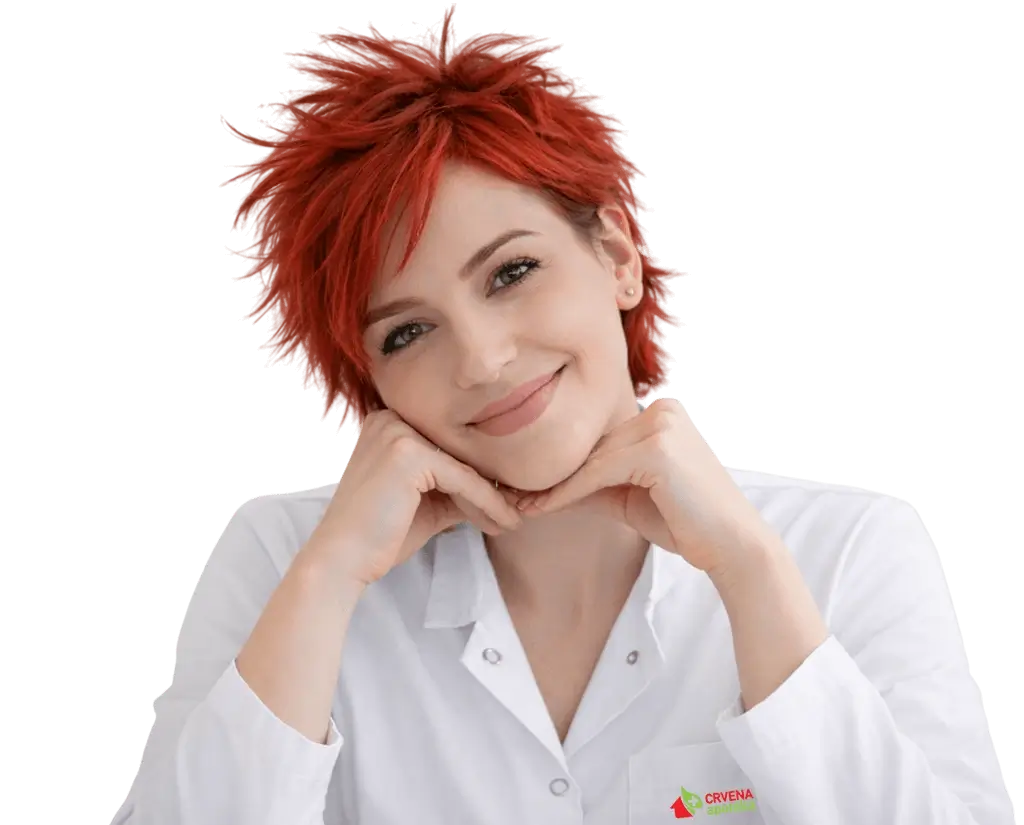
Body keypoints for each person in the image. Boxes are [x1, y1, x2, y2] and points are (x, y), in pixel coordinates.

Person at [115, 21, 1014, 825]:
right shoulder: (286, 559)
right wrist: (329, 578)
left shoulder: (852, 548)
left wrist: (749, 572)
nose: (481, 360)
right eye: (408, 331)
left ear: (618, 256)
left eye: (511, 273)